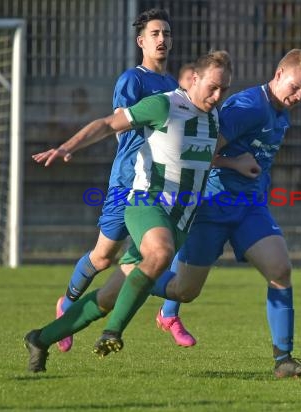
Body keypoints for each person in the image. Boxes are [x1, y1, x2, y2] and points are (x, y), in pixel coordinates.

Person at [24, 49, 233, 372]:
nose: (218, 95)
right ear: (194, 79)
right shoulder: (164, 104)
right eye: (213, 87)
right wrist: (68, 147)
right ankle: (113, 333)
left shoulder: (213, 116)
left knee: (108, 297)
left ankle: (40, 339)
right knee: (160, 253)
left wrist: (237, 161)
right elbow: (108, 124)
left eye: (225, 90)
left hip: (181, 220)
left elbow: (203, 153)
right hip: (146, 204)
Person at [148, 49, 301, 378]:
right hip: (214, 206)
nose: (299, 96)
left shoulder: (281, 111)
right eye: (295, 86)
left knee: (280, 269)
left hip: (249, 209)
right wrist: (234, 163)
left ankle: (283, 360)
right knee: (185, 290)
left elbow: (259, 160)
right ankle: (131, 279)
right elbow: (199, 148)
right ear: (279, 73)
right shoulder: (249, 106)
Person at [33, 8, 196, 351]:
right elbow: (120, 127)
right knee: (104, 256)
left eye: (166, 33)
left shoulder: (172, 86)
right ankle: (66, 304)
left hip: (159, 185)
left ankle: (170, 311)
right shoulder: (132, 80)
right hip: (128, 181)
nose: (162, 39)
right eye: (155, 34)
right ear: (141, 41)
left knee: (167, 245)